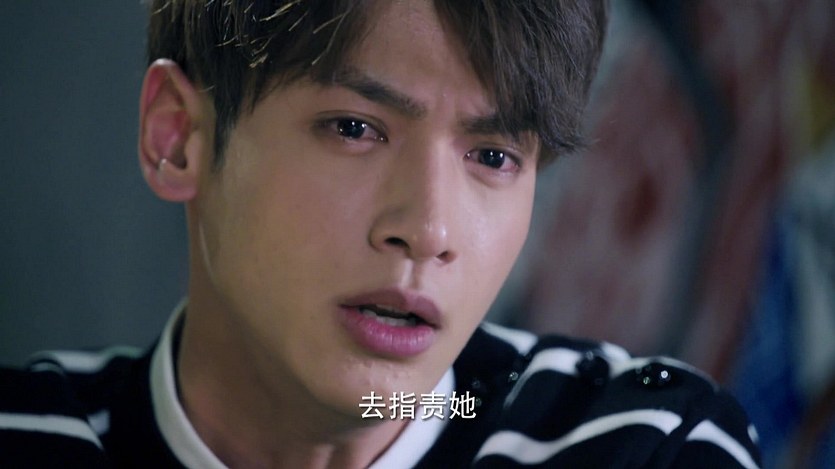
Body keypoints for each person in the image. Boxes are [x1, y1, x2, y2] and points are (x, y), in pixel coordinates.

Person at [0, 1, 761, 467]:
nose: (428, 230)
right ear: (179, 138)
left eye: (493, 156)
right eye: (354, 128)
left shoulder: (643, 447)